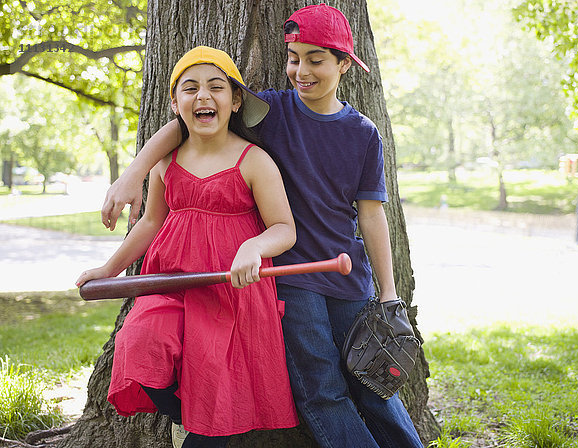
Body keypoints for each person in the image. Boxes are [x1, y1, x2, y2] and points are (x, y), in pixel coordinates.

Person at [100, 4, 423, 448]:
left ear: (345, 64)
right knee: (322, 390)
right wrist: (134, 172)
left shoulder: (364, 133)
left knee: (374, 383)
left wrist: (387, 294)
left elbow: (371, 215)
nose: (302, 70)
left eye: (316, 59)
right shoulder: (270, 110)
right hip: (290, 278)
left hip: (348, 277)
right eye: (295, 58)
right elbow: (185, 126)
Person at [76, 46, 299, 448]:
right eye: (190, 88)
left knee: (213, 382)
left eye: (217, 87)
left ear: (234, 101)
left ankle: (208, 420)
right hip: (170, 283)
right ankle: (193, 411)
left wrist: (254, 247)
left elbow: (284, 228)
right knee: (138, 343)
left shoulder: (254, 161)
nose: (204, 96)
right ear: (176, 103)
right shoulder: (166, 163)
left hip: (229, 292)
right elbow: (150, 223)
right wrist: (108, 269)